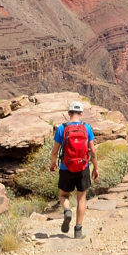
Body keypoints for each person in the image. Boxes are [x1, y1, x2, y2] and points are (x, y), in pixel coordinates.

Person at [49, 101, 99, 239]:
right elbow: (92, 151)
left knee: (64, 195)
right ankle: (78, 230)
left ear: (69, 113)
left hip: (66, 167)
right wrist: (95, 167)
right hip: (83, 167)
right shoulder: (87, 128)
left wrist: (53, 163)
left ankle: (67, 211)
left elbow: (55, 151)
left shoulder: (62, 128)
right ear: (81, 113)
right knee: (81, 198)